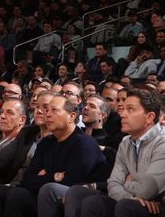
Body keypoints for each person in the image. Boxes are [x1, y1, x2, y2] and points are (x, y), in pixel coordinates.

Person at [62, 88, 165, 217]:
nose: (122, 114)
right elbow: (113, 184)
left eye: (130, 109)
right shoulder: (125, 142)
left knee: (125, 206)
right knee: (86, 198)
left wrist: (126, 183)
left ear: (149, 117)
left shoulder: (162, 141)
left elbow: (148, 189)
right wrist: (130, 195)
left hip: (157, 205)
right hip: (133, 200)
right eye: (123, 109)